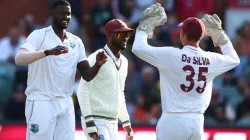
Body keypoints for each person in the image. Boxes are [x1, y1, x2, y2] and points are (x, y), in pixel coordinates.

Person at [132, 3, 240, 140]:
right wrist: (220, 35)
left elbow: (138, 48)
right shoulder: (210, 59)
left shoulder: (172, 55)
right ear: (201, 37)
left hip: (173, 120)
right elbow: (234, 59)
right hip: (197, 123)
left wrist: (147, 24)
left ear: (183, 35)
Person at [14, 1, 107, 140]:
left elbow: (87, 75)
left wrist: (98, 64)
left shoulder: (76, 41)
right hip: (41, 100)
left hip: (66, 103)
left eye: (68, 13)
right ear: (52, 13)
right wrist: (47, 52)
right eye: (62, 13)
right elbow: (19, 59)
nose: (66, 17)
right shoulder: (39, 35)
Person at [77, 19, 134, 140]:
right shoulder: (96, 56)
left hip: (113, 122)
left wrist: (125, 121)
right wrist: (89, 120)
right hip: (96, 119)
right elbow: (82, 90)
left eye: (127, 34)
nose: (125, 38)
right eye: (121, 34)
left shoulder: (124, 61)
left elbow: (120, 93)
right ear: (108, 34)